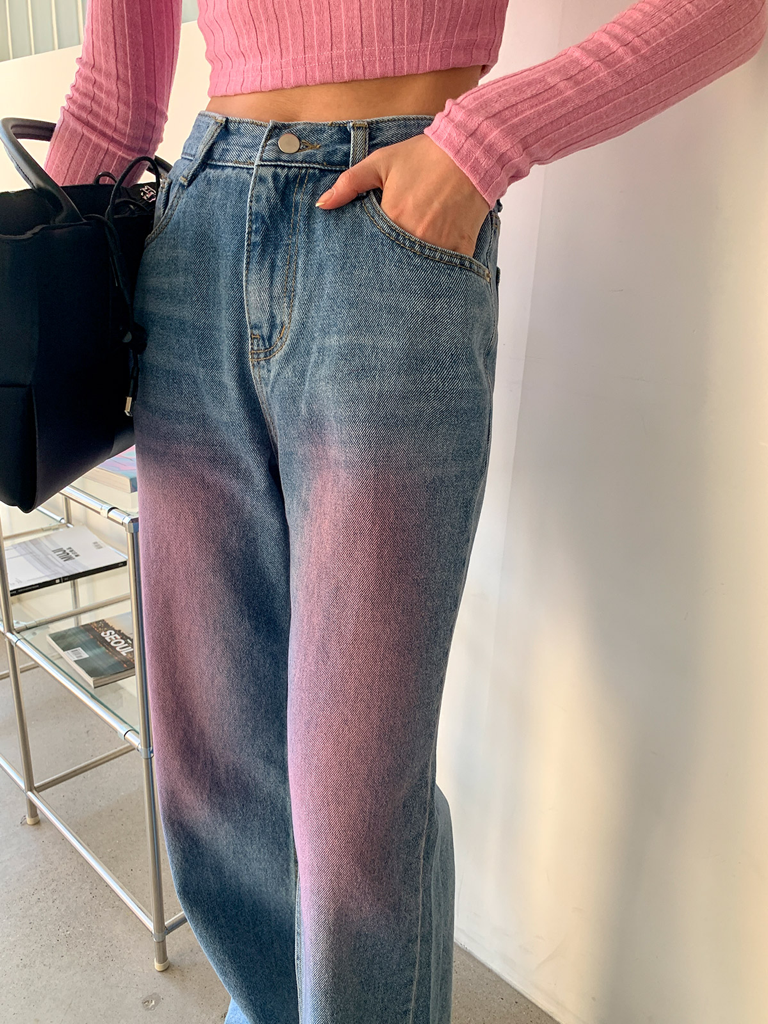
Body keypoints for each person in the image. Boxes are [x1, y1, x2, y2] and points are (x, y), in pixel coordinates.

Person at [43, 2, 765, 1023]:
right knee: (214, 774)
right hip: (194, 242)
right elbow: (114, 101)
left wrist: (481, 145)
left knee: (355, 805)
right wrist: (38, 306)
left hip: (392, 229)